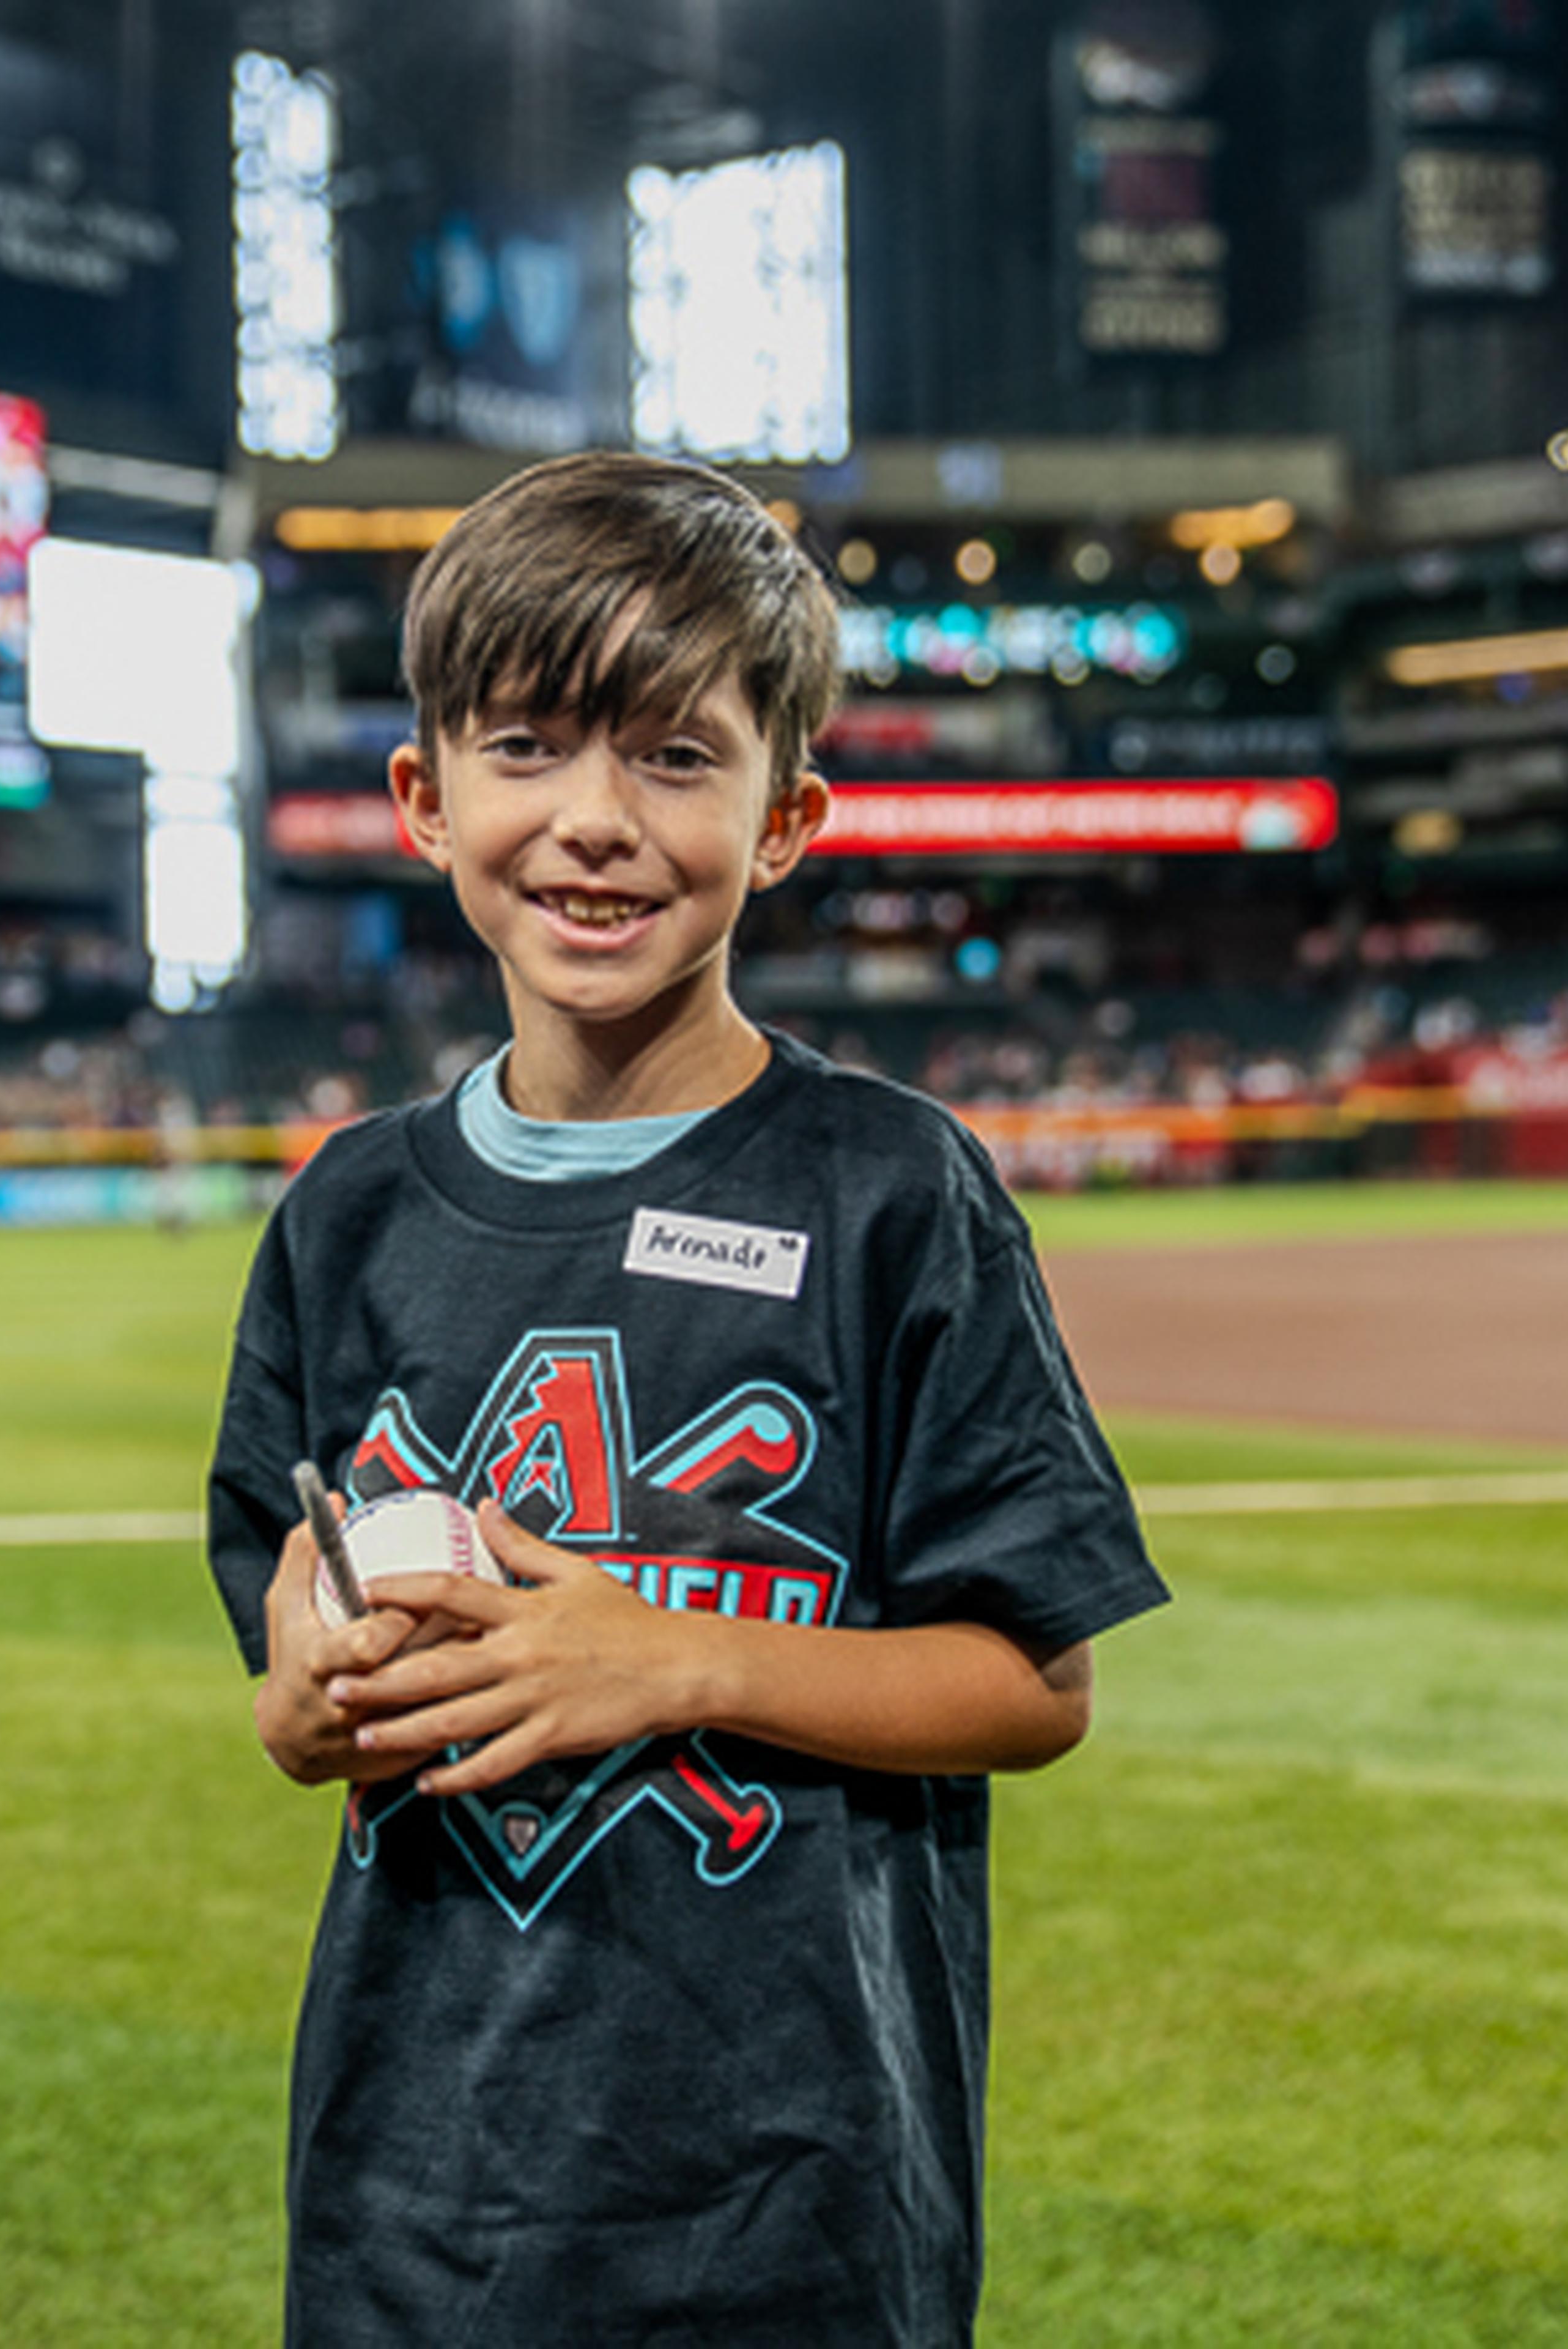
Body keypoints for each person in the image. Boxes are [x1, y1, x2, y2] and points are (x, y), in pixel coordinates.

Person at [207, 450, 1169, 2347]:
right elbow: (291, 1671)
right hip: (413, 2193)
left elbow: (1030, 1686)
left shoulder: (890, 1191)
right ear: (424, 797)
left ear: (786, 814)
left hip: (788, 2207)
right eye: (528, 747)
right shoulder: (348, 1215)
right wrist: (303, 1701)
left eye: (672, 754)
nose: (594, 822)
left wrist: (672, 1659)